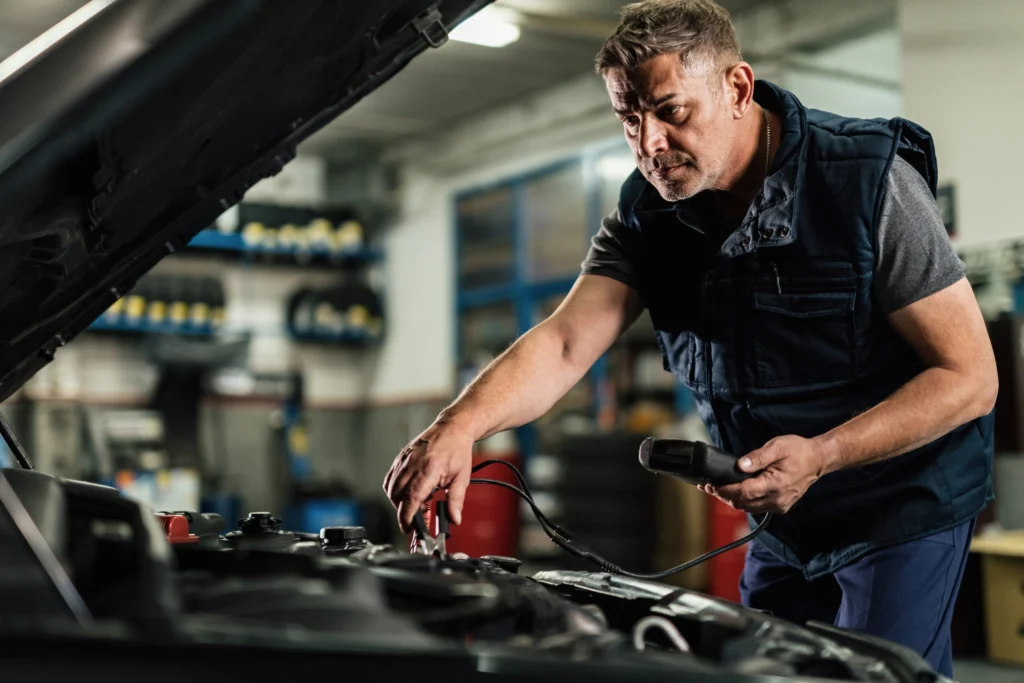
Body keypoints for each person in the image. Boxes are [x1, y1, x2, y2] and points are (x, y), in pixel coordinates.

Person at [383, 0, 997, 675]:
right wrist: (458, 425)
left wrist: (821, 454)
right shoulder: (648, 213)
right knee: (756, 668)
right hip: (783, 512)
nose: (648, 144)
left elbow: (970, 377)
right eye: (628, 118)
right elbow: (565, 344)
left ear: (735, 88)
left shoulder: (867, 183)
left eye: (671, 111)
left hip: (900, 499)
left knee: (875, 671)